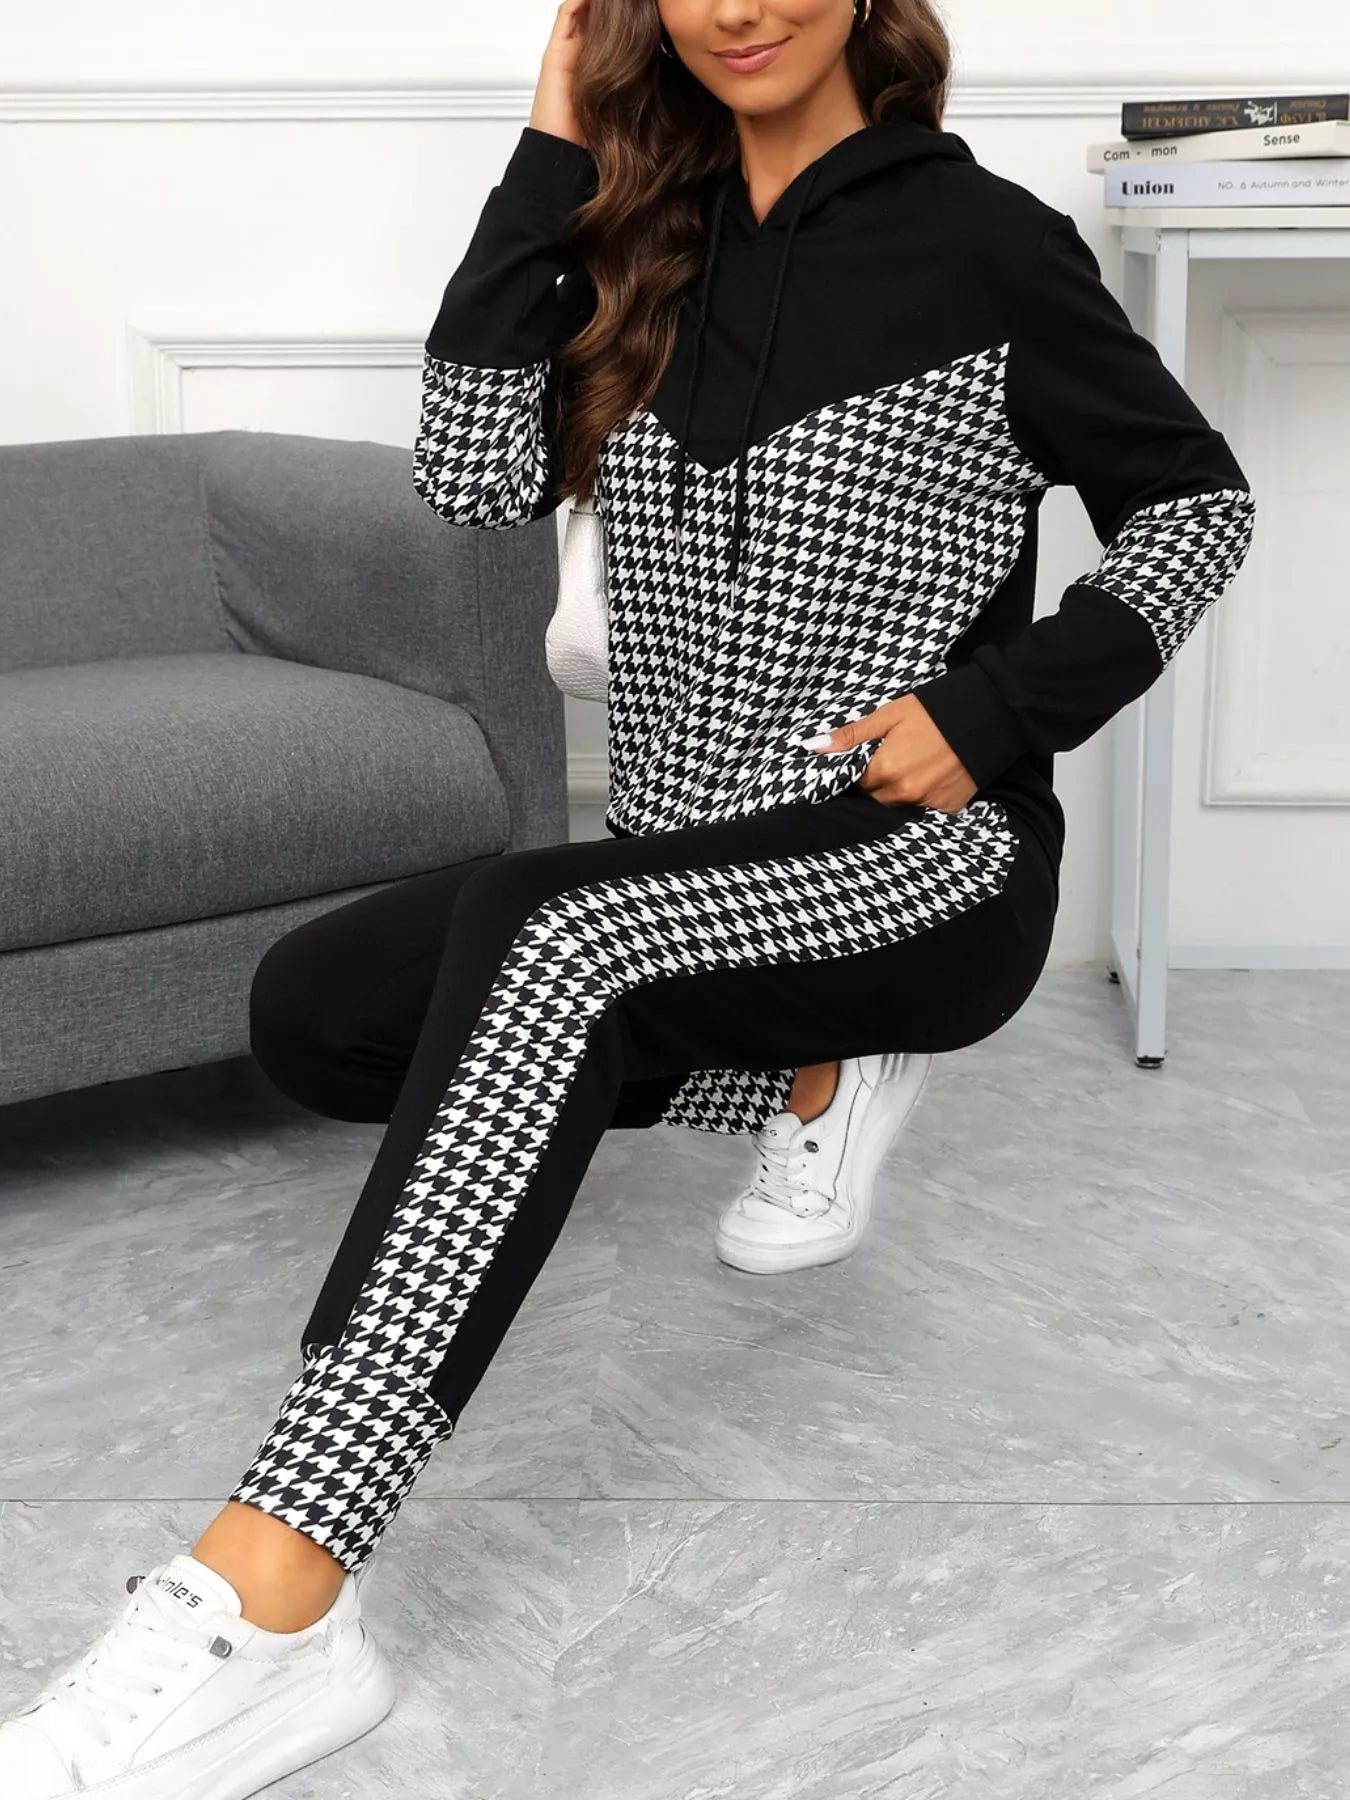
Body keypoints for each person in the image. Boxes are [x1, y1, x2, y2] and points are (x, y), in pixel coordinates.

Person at [0, 2, 1256, 1795]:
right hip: (677, 873)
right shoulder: (631, 240)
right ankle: (819, 1069)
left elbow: (1195, 507)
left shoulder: (988, 245)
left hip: (914, 865)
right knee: (316, 1009)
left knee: (543, 932)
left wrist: (994, 714)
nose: (736, 5)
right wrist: (551, 149)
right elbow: (472, 484)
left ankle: (273, 1602)